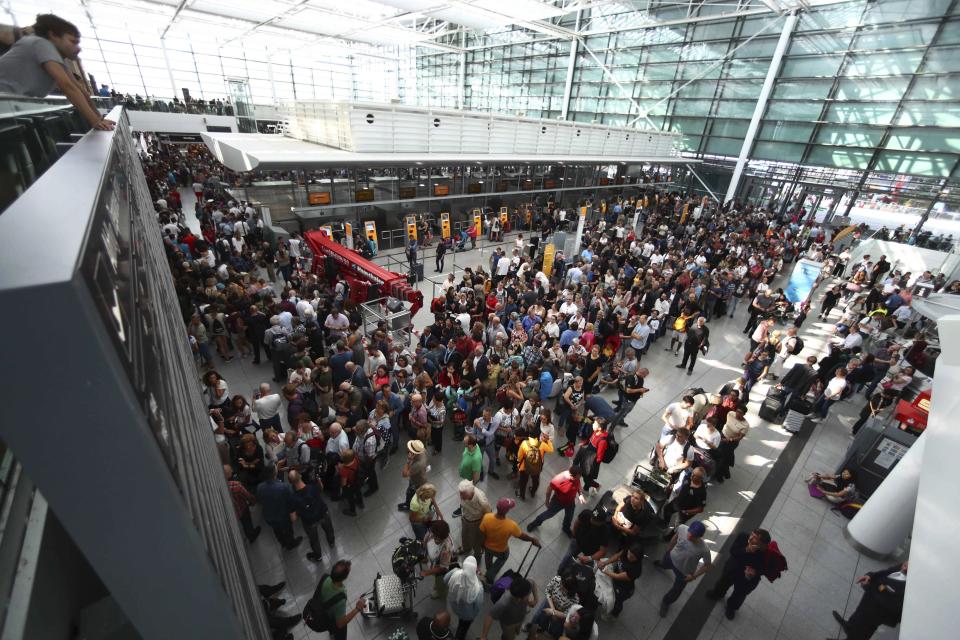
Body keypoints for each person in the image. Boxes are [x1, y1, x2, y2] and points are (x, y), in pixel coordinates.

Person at [0, 14, 113, 130]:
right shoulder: (41, 43)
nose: (78, 48)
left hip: (8, 108)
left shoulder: (53, 55)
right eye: (73, 42)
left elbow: (79, 88)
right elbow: (67, 86)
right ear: (53, 35)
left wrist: (99, 119)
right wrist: (95, 122)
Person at [705, 528, 772, 619]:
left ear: (762, 544)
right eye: (752, 534)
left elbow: (765, 568)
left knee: (739, 594)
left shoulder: (766, 553)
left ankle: (731, 607)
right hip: (732, 568)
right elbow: (733, 551)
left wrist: (754, 572)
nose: (751, 538)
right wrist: (746, 550)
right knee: (723, 582)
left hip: (745, 578)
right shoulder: (743, 537)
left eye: (755, 538)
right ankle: (717, 594)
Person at [833, 562, 908, 640]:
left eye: (908, 569)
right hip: (867, 602)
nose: (904, 569)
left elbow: (894, 607)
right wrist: (869, 575)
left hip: (877, 614)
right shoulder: (905, 564)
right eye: (905, 565)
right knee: (857, 616)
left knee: (862, 632)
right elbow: (885, 572)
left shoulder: (909, 590)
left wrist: (869, 588)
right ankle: (849, 627)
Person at [655, 520, 713, 617]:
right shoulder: (682, 528)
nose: (689, 536)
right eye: (690, 532)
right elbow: (676, 537)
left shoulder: (704, 550)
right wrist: (669, 548)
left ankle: (666, 602)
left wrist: (694, 576)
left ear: (700, 536)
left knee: (676, 591)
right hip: (671, 558)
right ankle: (662, 564)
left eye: (693, 535)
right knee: (664, 564)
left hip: (684, 573)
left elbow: (707, 566)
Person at [479, 498, 541, 583]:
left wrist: (482, 545)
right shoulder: (511, 525)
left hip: (487, 547)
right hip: (501, 550)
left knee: (488, 558)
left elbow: (482, 534)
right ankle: (489, 577)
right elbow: (522, 536)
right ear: (507, 511)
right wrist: (532, 539)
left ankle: (489, 568)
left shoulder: (487, 517)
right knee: (502, 559)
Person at [304, 560, 365, 640]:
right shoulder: (340, 598)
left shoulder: (326, 578)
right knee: (341, 632)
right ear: (344, 577)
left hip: (321, 612)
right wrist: (357, 609)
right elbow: (340, 624)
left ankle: (332, 632)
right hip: (328, 619)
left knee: (332, 627)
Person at [288, 469, 335, 562]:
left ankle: (318, 556)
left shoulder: (292, 498)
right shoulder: (313, 486)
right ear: (300, 476)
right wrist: (319, 480)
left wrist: (299, 511)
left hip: (309, 522)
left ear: (290, 482)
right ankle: (331, 542)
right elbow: (321, 488)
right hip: (322, 514)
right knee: (329, 529)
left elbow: (293, 519)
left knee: (314, 540)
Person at [527, 466, 584, 536]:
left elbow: (578, 485)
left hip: (570, 502)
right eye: (577, 478)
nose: (578, 479)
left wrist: (580, 494)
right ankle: (534, 523)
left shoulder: (576, 478)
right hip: (558, 502)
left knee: (569, 517)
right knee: (548, 514)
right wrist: (547, 501)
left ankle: (566, 528)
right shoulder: (559, 479)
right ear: (571, 476)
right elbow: (549, 491)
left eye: (579, 477)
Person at [256, 465, 302, 551]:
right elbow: (291, 503)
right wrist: (293, 515)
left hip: (270, 517)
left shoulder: (259, 487)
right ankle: (291, 543)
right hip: (283, 517)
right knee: (288, 531)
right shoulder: (284, 487)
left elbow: (260, 501)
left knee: (277, 531)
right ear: (275, 473)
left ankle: (283, 543)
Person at [558, 508, 610, 574]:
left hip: (591, 551)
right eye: (592, 517)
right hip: (578, 542)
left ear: (601, 522)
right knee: (567, 558)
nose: (591, 519)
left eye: (594, 519)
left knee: (584, 568)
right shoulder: (586, 514)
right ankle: (559, 573)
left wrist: (589, 558)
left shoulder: (605, 531)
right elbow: (577, 522)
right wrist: (574, 536)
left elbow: (603, 551)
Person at [598, 543, 644, 617]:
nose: (628, 557)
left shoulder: (635, 570)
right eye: (629, 553)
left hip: (624, 589)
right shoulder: (627, 551)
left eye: (632, 557)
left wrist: (604, 570)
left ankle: (614, 615)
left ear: (638, 559)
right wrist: (605, 563)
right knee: (612, 596)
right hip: (617, 581)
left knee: (617, 602)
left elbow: (617, 576)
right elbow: (617, 556)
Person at [445, 555, 485, 640]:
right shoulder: (478, 589)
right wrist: (473, 616)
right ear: (474, 569)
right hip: (468, 614)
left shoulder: (455, 572)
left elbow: (445, 580)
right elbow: (477, 607)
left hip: (455, 606)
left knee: (460, 622)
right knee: (463, 627)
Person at [224, 464, 260, 543]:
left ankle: (248, 533)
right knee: (247, 522)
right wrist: (253, 502)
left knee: (243, 523)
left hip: (234, 512)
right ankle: (252, 535)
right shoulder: (236, 485)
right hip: (242, 508)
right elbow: (248, 496)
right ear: (230, 473)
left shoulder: (224, 486)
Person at [457, 479, 492, 559]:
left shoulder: (481, 501)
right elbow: (463, 503)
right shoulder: (463, 491)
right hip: (465, 518)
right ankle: (466, 548)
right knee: (464, 535)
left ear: (471, 493)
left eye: (463, 495)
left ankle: (477, 554)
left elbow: (488, 514)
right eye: (460, 494)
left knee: (476, 541)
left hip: (476, 523)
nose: (461, 496)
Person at [516, 428, 553, 500]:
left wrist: (519, 462)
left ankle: (522, 495)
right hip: (537, 466)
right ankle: (532, 492)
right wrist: (547, 440)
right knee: (535, 480)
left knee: (523, 481)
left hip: (525, 466)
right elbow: (551, 450)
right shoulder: (541, 445)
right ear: (537, 437)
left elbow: (519, 456)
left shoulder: (524, 443)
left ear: (530, 435)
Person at [399, 439, 429, 511]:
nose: (408, 448)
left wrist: (408, 460)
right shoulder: (423, 450)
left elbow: (404, 474)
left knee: (410, 493)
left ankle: (408, 505)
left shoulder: (418, 464)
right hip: (421, 476)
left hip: (417, 481)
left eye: (410, 448)